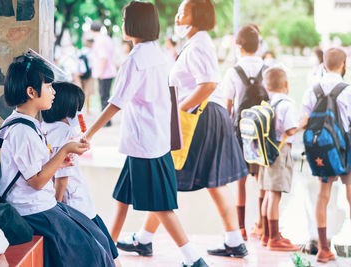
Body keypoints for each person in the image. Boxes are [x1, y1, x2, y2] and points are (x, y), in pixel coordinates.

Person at [117, 0, 249, 259]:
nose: (177, 17)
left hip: (199, 117)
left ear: (197, 15)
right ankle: (233, 240)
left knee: (167, 176)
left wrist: (177, 112)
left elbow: (208, 84)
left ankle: (146, 240)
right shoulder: (198, 42)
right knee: (206, 181)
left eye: (183, 12)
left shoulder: (199, 44)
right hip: (206, 115)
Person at [85, 2, 207, 266]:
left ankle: (194, 259)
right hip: (153, 140)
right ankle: (108, 250)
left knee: (161, 206)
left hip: (144, 144)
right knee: (121, 198)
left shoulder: (135, 59)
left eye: (125, 17)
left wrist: (89, 133)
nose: (122, 21)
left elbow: (116, 102)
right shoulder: (159, 54)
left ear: (133, 24)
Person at [0, 54, 115, 267]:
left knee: (96, 237)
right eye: (49, 86)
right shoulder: (23, 131)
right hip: (34, 211)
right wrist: (63, 151)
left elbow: (30, 171)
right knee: (93, 251)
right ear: (31, 92)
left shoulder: (24, 124)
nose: (53, 92)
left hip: (41, 205)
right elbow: (37, 182)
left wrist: (59, 163)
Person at [41, 81, 120, 263]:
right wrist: (57, 210)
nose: (79, 112)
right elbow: (62, 178)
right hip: (78, 207)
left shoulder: (45, 128)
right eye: (77, 108)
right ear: (67, 107)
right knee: (107, 252)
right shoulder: (66, 132)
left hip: (70, 204)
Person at [302, 47, 351, 263]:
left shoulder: (312, 90)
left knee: (323, 196)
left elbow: (304, 120)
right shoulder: (348, 90)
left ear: (323, 65)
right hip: (346, 148)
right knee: (350, 196)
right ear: (344, 66)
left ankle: (323, 249)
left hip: (323, 149)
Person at [224, 25, 266, 241]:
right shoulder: (267, 68)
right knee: (261, 179)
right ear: (258, 45)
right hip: (262, 133)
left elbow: (228, 107)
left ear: (238, 46)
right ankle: (262, 225)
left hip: (240, 133)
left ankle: (241, 228)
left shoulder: (233, 71)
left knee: (240, 181)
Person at [258, 67, 302, 251]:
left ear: (267, 87)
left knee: (269, 192)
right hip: (280, 151)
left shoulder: (269, 103)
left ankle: (267, 234)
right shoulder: (287, 104)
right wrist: (304, 124)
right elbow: (291, 129)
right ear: (286, 85)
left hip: (267, 152)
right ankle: (275, 238)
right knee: (275, 194)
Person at [91, 20, 117, 126]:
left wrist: (101, 72)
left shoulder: (99, 40)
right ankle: (107, 120)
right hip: (108, 72)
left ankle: (106, 121)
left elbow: (103, 57)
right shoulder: (106, 38)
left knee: (104, 97)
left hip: (104, 73)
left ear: (92, 30)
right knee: (105, 96)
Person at [78, 39, 95, 115]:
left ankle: (79, 109)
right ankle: (87, 110)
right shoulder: (92, 52)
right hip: (89, 74)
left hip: (80, 74)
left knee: (80, 91)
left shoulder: (81, 51)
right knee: (87, 93)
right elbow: (93, 64)